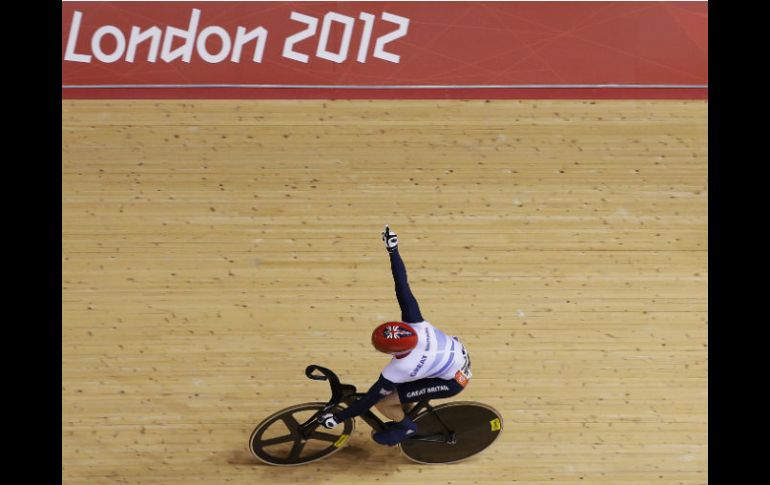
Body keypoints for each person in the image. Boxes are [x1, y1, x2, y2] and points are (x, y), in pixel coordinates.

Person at [317, 225, 472, 446]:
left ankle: (408, 427)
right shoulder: (417, 323)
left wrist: (337, 418)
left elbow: (370, 400)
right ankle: (407, 408)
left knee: (385, 404)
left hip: (453, 381)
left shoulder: (400, 368)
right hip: (453, 355)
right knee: (397, 393)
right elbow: (402, 286)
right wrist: (393, 250)